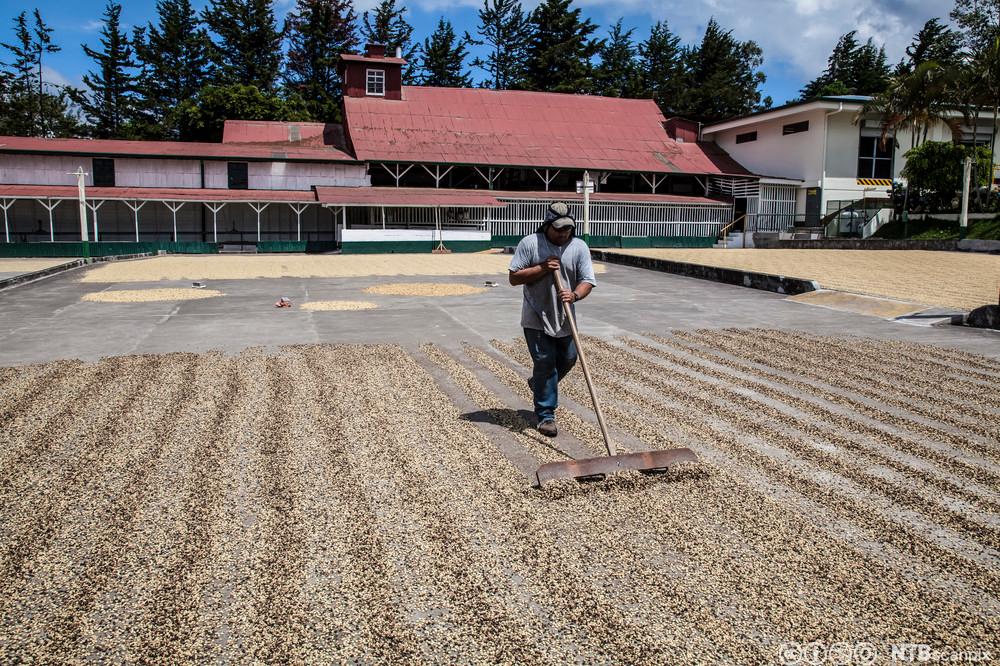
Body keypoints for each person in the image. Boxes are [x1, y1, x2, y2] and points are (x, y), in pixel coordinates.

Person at [508, 202, 597, 437]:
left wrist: (575, 294)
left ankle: (539, 384)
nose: (563, 233)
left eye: (567, 229)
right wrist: (543, 268)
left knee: (568, 358)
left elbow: (588, 280)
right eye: (558, 229)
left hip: (566, 317)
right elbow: (514, 277)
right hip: (536, 316)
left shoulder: (579, 247)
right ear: (547, 225)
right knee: (546, 363)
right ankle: (546, 415)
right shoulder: (530, 243)